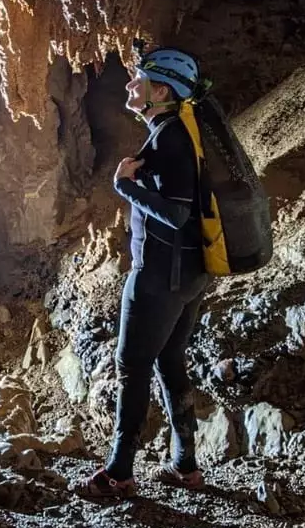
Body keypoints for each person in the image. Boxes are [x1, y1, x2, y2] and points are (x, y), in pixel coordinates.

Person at [81, 47, 211, 499]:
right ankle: (185, 465)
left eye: (138, 80)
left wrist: (124, 187)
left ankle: (118, 472)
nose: (129, 85)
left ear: (161, 91)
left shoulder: (169, 137)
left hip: (160, 274)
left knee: (131, 366)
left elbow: (175, 213)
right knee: (169, 359)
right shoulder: (180, 132)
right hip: (190, 273)